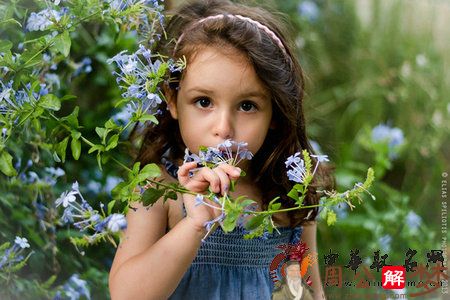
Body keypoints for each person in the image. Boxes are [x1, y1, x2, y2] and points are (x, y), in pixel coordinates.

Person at [108, 0, 333, 299]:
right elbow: (126, 295)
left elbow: (310, 290)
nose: (223, 127)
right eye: (203, 101)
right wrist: (195, 224)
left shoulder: (291, 193)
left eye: (247, 106)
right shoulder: (160, 189)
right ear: (173, 101)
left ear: (276, 114)